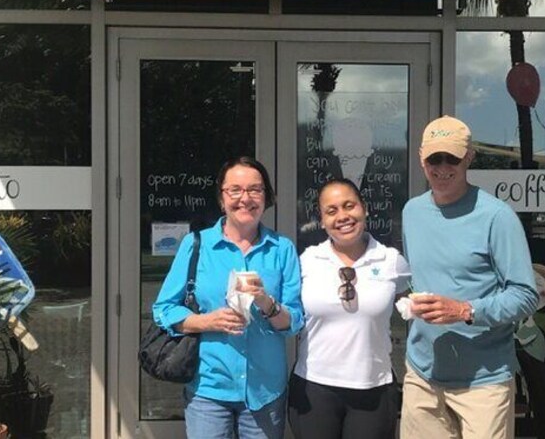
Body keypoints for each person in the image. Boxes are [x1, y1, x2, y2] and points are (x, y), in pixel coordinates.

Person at [400, 116, 539, 439]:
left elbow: (525, 294)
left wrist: (465, 311)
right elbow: (420, 279)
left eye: (453, 158)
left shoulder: (497, 216)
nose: (443, 167)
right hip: (423, 375)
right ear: (422, 158)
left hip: (484, 381)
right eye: (435, 158)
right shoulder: (412, 212)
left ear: (470, 157)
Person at [152, 156, 304, 439]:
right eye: (235, 190)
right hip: (209, 387)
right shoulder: (197, 244)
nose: (245, 198)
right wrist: (206, 321)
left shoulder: (282, 249)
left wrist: (266, 303)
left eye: (255, 190)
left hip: (265, 390)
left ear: (266, 197)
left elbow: (294, 322)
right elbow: (163, 309)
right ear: (222, 199)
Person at [289, 178, 411, 439]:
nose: (342, 216)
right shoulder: (306, 261)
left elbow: (411, 301)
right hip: (314, 388)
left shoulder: (392, 261)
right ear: (321, 220)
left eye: (349, 206)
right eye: (331, 211)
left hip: (373, 388)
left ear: (364, 208)